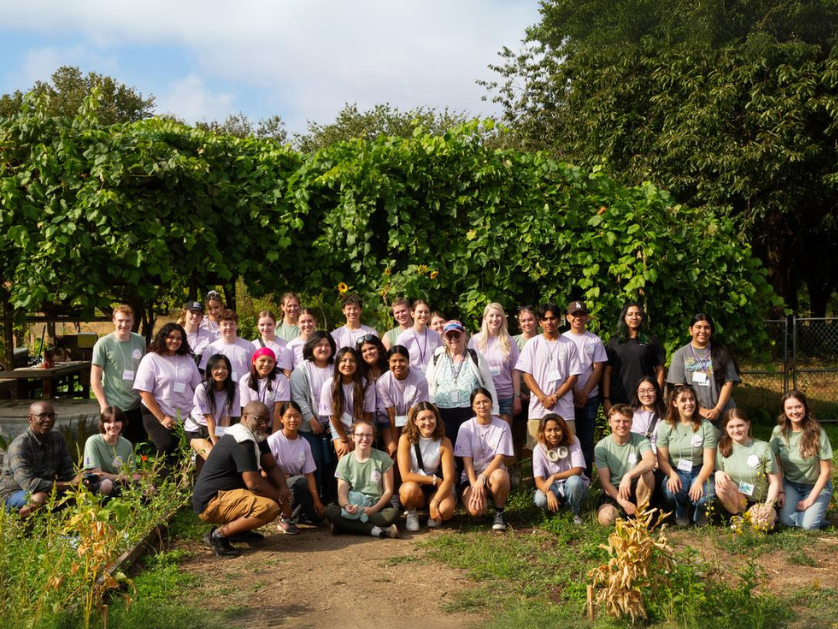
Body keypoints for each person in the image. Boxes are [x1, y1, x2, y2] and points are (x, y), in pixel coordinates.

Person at [193, 401, 292, 557]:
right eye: (259, 419)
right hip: (211, 501)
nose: (264, 425)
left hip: (227, 493)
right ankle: (218, 535)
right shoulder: (242, 440)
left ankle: (239, 530)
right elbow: (254, 484)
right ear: (245, 417)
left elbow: (271, 466)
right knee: (269, 507)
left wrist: (283, 487)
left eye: (267, 421)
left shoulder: (256, 436)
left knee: (278, 490)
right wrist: (281, 501)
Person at [514, 303, 583, 454]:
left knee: (567, 452)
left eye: (552, 318)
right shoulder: (532, 344)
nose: (549, 322)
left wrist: (556, 396)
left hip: (564, 409)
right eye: (545, 319)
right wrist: (542, 397)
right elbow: (526, 374)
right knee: (538, 453)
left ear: (559, 320)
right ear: (540, 322)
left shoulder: (569, 345)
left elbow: (574, 376)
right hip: (538, 410)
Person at [134, 323, 202, 463]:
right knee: (166, 446)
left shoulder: (187, 359)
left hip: (186, 414)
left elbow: (197, 387)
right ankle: (162, 480)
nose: (175, 341)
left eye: (179, 338)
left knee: (186, 449)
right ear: (163, 338)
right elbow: (144, 390)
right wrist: (162, 418)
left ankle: (185, 481)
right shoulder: (151, 359)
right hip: (159, 412)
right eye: (171, 337)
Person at [0, 401, 81, 517]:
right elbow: (30, 485)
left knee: (84, 489)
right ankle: (18, 523)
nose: (48, 419)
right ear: (30, 419)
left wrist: (82, 480)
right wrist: (71, 483)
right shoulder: (19, 446)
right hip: (14, 493)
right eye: (42, 415)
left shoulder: (58, 438)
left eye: (51, 415)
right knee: (40, 498)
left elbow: (68, 471)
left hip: (46, 489)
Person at [426, 320, 498, 449]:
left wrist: (494, 411)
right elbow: (429, 384)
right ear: (444, 337)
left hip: (469, 411)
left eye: (457, 335)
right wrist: (432, 406)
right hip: (443, 411)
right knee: (447, 447)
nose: (453, 339)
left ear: (463, 335)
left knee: (470, 447)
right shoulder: (438, 356)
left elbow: (488, 384)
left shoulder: (475, 356)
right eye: (449, 336)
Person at [325, 419, 400, 538]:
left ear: (373, 437)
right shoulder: (344, 461)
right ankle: (378, 531)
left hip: (375, 507)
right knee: (330, 511)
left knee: (393, 514)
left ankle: (344, 525)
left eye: (368, 435)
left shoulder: (383, 458)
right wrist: (346, 506)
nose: (364, 439)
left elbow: (388, 492)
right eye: (360, 435)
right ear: (353, 437)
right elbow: (342, 494)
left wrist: (373, 509)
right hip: (353, 506)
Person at [770, 391, 833, 530]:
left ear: (805, 407)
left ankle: (814, 517)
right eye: (789, 408)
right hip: (791, 485)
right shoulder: (778, 432)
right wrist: (780, 491)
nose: (794, 411)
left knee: (808, 526)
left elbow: (826, 471)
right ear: (784, 411)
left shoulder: (818, 433)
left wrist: (810, 500)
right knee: (785, 521)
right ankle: (808, 514)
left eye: (798, 407)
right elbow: (777, 465)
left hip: (815, 485)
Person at [655, 384, 717, 526]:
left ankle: (700, 511)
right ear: (674, 403)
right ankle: (680, 510)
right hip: (676, 470)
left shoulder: (706, 426)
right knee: (672, 491)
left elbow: (709, 463)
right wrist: (672, 474)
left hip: (700, 470)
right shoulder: (666, 426)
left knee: (704, 497)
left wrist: (700, 480)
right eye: (683, 400)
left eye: (691, 399)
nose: (689, 403)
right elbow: (662, 459)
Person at [455, 387, 513, 531]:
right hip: (471, 477)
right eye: (478, 403)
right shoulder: (465, 427)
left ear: (492, 403)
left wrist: (483, 477)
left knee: (501, 475)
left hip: (491, 476)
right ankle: (480, 498)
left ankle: (499, 512)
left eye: (485, 401)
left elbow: (500, 457)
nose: (482, 406)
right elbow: (466, 461)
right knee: (476, 512)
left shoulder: (503, 426)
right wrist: (475, 485)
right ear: (473, 407)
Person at [667, 313, 740, 425]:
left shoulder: (722, 353)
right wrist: (699, 410)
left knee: (725, 442)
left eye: (707, 327)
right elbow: (679, 387)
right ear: (690, 330)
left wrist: (717, 409)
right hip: (692, 413)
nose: (703, 331)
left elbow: (728, 382)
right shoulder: (681, 354)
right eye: (698, 327)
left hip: (723, 412)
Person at [90, 304, 147, 445]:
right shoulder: (103, 344)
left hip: (136, 403)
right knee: (113, 444)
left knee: (136, 445)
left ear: (133, 322)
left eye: (128, 321)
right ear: (114, 320)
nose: (124, 324)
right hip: (114, 404)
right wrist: (103, 405)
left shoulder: (140, 341)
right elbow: (95, 378)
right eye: (120, 320)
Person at [562, 300, 607, 477]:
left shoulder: (594, 340)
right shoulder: (563, 340)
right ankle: (569, 474)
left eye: (581, 314)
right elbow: (562, 370)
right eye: (574, 315)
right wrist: (574, 392)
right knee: (568, 438)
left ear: (586, 317)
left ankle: (586, 476)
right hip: (567, 396)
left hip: (590, 397)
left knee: (587, 440)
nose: (578, 318)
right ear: (568, 317)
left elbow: (598, 369)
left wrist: (585, 393)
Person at [715, 409, 780, 528]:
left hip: (761, 500)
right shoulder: (722, 447)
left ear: (748, 424)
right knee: (720, 487)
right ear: (725, 428)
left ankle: (767, 516)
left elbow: (774, 482)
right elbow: (719, 471)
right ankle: (736, 516)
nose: (736, 430)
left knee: (761, 524)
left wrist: (768, 506)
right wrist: (718, 472)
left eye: (740, 425)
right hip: (739, 498)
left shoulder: (763, 447)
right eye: (731, 426)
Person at [289, 331, 336, 496]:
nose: (323, 348)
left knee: (334, 464)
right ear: (311, 347)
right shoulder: (301, 370)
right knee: (314, 462)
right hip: (309, 427)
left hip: (335, 425)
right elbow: (298, 398)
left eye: (327, 345)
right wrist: (312, 420)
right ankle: (313, 502)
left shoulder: (337, 367)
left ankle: (332, 501)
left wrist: (334, 424)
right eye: (319, 345)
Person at [397, 402, 456, 531]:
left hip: (435, 488)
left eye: (431, 417)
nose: (427, 422)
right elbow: (405, 475)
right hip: (416, 484)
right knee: (408, 490)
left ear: (436, 419)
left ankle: (432, 511)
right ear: (415, 421)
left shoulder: (444, 441)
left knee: (446, 510)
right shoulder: (405, 439)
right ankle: (412, 513)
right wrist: (434, 480)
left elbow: (449, 478)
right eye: (422, 419)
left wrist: (435, 501)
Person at [267, 401, 326, 530]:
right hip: (277, 486)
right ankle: (285, 517)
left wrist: (316, 500)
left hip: (298, 485)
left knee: (319, 517)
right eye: (289, 416)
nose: (293, 420)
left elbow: (309, 475)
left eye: (297, 416)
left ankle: (299, 514)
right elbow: (264, 472)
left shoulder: (304, 443)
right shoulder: (273, 441)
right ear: (281, 419)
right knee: (301, 481)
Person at [594, 404, 656, 526]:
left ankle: (641, 515)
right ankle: (624, 514)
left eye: (626, 421)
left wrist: (628, 476)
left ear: (631, 422)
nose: (622, 425)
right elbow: (605, 483)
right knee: (606, 518)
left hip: (636, 488)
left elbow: (650, 460)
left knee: (648, 472)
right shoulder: (601, 447)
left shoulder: (641, 440)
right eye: (617, 421)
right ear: (610, 422)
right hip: (614, 492)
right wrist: (624, 503)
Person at [602, 301, 666, 411]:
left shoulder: (651, 340)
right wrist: (606, 399)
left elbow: (660, 370)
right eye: (630, 314)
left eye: (638, 314)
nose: (634, 317)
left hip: (645, 399)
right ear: (624, 318)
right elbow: (607, 372)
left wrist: (656, 395)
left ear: (642, 318)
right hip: (619, 399)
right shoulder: (614, 342)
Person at [468, 303, 521, 426]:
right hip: (483, 398)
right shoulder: (475, 341)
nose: (495, 319)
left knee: (503, 436)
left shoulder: (509, 341)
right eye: (491, 315)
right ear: (485, 318)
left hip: (504, 396)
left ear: (503, 318)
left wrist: (517, 396)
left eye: (498, 315)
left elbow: (515, 370)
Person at [185, 354, 240, 471]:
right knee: (215, 458)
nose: (220, 371)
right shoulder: (202, 388)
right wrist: (217, 446)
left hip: (216, 427)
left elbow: (226, 418)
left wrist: (223, 441)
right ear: (210, 370)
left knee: (218, 459)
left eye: (224, 368)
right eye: (216, 367)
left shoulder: (233, 389)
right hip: (197, 428)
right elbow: (209, 419)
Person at [532, 413, 589, 524]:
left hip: (575, 486)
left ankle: (574, 512)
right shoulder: (538, 449)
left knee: (574, 481)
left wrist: (554, 476)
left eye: (557, 429)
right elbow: (538, 480)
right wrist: (548, 493)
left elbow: (578, 469)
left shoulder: (573, 441)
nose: (553, 434)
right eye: (549, 430)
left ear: (563, 430)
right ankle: (556, 510)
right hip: (552, 487)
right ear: (543, 432)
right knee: (540, 499)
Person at [320, 347, 375, 459]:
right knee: (345, 460)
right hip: (339, 426)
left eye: (352, 360)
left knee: (361, 458)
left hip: (362, 426)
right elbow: (333, 417)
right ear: (337, 363)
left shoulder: (366, 384)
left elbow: (368, 414)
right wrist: (345, 439)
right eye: (343, 360)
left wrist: (358, 436)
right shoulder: (329, 385)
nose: (348, 364)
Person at [378, 345, 430, 457]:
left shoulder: (420, 380)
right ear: (388, 362)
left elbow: (413, 411)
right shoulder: (382, 382)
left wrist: (402, 439)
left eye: (402, 360)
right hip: (388, 420)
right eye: (394, 361)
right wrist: (395, 442)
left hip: (412, 418)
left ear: (408, 361)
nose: (398, 364)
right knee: (393, 451)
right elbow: (391, 414)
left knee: (406, 448)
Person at [82, 406, 143, 496]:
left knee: (149, 489)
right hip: (98, 485)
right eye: (108, 421)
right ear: (102, 424)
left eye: (116, 421)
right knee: (107, 484)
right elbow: (96, 474)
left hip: (122, 484)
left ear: (122, 423)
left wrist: (146, 485)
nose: (113, 425)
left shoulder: (127, 444)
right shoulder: (93, 441)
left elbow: (133, 474)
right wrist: (123, 477)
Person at [356, 335, 394, 453]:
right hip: (367, 418)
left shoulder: (390, 368)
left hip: (389, 419)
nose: (368, 352)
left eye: (371, 348)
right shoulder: (359, 373)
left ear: (378, 348)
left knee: (392, 450)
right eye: (364, 351)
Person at [239, 347, 290, 431]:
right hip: (252, 426)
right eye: (262, 360)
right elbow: (246, 409)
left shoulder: (281, 379)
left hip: (272, 426)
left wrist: (274, 435)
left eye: (270, 361)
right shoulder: (245, 380)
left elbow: (278, 410)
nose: (266, 364)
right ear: (254, 361)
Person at [199, 309, 255, 384]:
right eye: (225, 324)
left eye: (231, 324)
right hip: (220, 391)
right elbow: (206, 374)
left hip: (242, 391)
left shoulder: (249, 346)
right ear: (218, 327)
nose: (228, 327)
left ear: (236, 326)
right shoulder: (211, 348)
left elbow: (254, 371)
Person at [396, 300, 442, 374]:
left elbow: (441, 358)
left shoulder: (435, 336)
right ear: (412, 314)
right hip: (412, 378)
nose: (423, 315)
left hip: (432, 378)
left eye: (426, 312)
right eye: (420, 312)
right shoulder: (403, 338)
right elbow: (399, 360)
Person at [629, 376, 666, 452]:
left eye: (650, 390)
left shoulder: (667, 414)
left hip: (660, 458)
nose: (646, 394)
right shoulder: (630, 414)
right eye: (642, 391)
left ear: (657, 391)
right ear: (637, 393)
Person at [252, 310, 293, 378]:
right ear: (257, 325)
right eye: (262, 325)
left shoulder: (285, 345)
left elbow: (287, 372)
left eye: (269, 324)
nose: (265, 328)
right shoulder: (252, 345)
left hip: (278, 384)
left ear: (275, 324)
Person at [179, 301, 214, 367]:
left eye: (198, 314)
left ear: (202, 317)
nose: (195, 316)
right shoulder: (177, 333)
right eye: (192, 313)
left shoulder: (209, 336)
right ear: (185, 313)